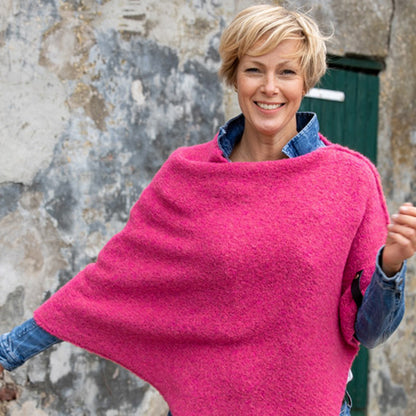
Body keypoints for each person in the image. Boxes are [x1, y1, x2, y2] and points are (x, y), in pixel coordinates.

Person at [0, 4, 414, 416]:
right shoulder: (188, 174)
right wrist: (8, 352)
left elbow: (369, 332)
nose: (270, 87)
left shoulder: (350, 180)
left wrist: (390, 267)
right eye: (254, 70)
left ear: (306, 79)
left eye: (286, 72)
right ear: (234, 76)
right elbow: (107, 282)